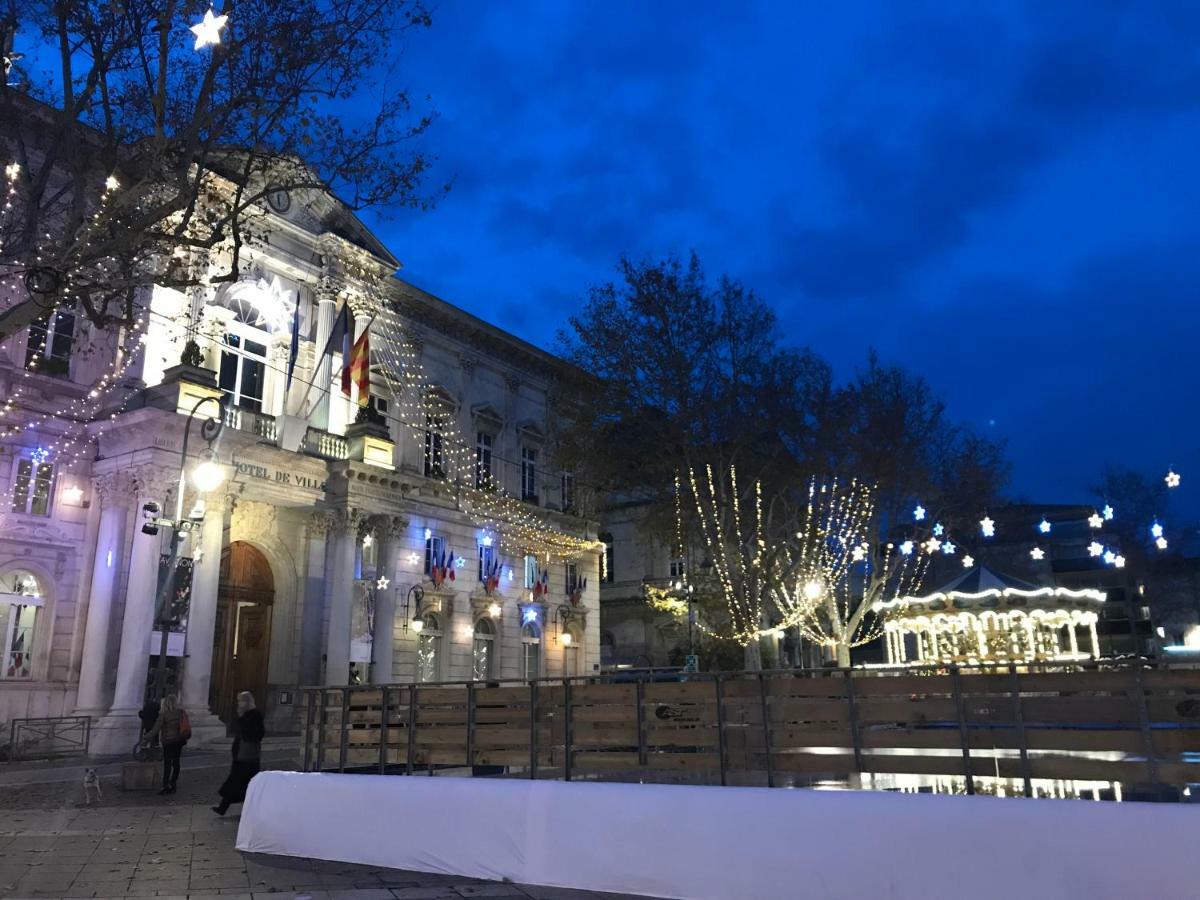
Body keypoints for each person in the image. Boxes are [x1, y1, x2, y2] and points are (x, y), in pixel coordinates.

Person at [213, 691, 265, 816]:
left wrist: (242, 721)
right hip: (242, 754)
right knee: (239, 781)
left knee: (239, 780)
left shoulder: (254, 715)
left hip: (247, 755)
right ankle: (225, 806)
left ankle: (225, 806)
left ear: (247, 702)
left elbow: (255, 734)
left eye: (241, 701)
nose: (239, 703)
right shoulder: (246, 715)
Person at [146, 694, 188, 795]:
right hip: (179, 741)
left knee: (168, 763)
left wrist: (146, 738)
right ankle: (173, 783)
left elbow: (156, 728)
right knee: (176, 762)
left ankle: (165, 785)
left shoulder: (164, 714)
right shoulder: (181, 712)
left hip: (168, 741)